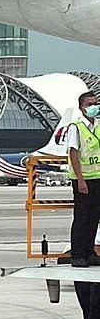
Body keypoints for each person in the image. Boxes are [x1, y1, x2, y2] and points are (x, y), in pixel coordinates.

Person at [67, 91, 100, 267]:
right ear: (81, 107)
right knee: (82, 217)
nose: (94, 107)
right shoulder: (76, 127)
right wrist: (80, 179)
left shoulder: (99, 125)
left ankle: (89, 252)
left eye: (95, 103)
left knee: (94, 217)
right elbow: (73, 153)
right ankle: (78, 254)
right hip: (83, 178)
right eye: (89, 104)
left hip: (98, 177)